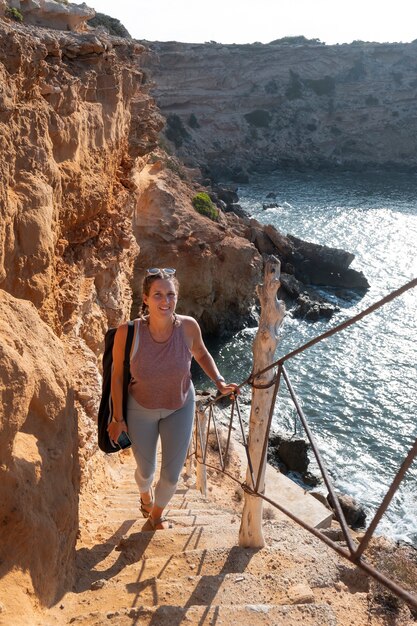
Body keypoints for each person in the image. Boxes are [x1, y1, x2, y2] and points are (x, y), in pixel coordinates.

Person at [107, 267, 239, 530]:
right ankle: (144, 495)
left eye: (170, 294)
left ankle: (156, 515)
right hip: (139, 408)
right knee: (145, 472)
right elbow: (118, 377)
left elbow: (201, 353)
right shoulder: (127, 332)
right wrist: (117, 418)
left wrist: (220, 382)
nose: (165, 301)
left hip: (180, 407)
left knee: (170, 476)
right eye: (157, 294)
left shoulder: (188, 327)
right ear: (145, 298)